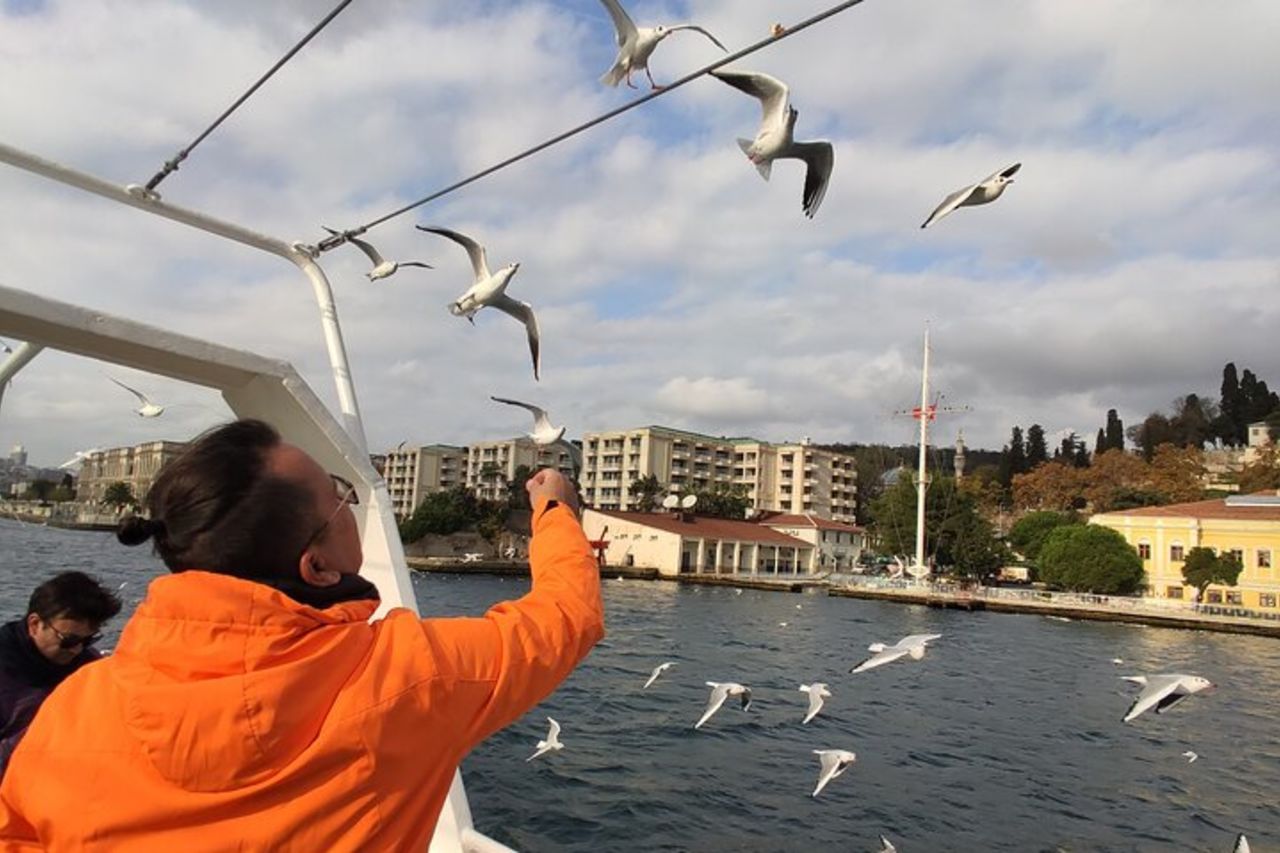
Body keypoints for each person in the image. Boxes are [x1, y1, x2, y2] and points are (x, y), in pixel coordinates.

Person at [0, 419, 603, 849]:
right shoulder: (410, 679)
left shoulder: (73, 705)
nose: (350, 502)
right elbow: (563, 618)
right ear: (315, 566)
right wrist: (553, 512)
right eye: (340, 498)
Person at [0, 572, 121, 777]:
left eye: (89, 640)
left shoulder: (89, 668)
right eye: (68, 640)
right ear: (35, 624)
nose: (77, 650)